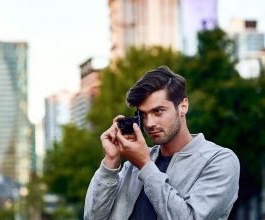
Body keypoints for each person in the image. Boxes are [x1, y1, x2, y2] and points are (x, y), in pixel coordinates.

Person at [84, 66, 240, 220]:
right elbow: (93, 217)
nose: (150, 123)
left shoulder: (220, 160)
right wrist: (111, 161)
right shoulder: (132, 166)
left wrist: (145, 166)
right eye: (143, 115)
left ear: (183, 106)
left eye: (158, 111)